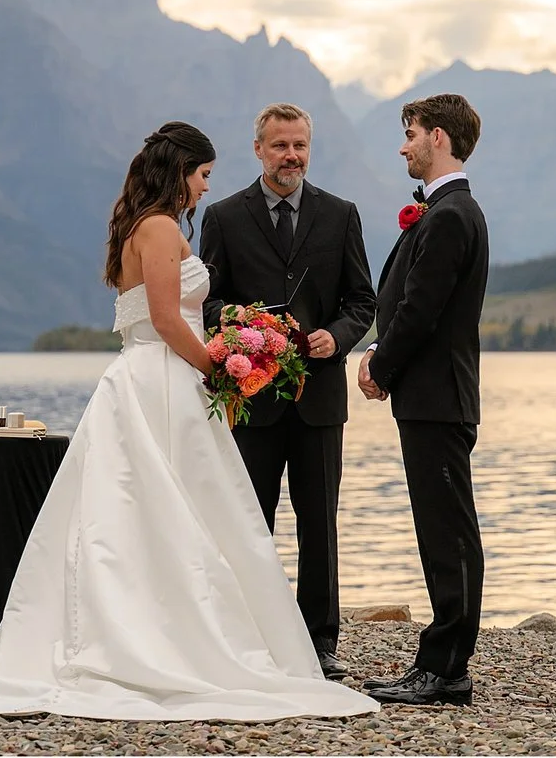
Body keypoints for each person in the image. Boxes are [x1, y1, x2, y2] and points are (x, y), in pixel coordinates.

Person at [0, 123, 375, 721]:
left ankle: (152, 624)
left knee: (141, 510)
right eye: (202, 175)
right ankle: (170, 636)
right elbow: (167, 320)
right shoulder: (162, 228)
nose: (204, 188)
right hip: (162, 379)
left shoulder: (138, 227)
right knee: (172, 509)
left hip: (142, 378)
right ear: (181, 172)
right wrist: (218, 369)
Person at [197, 102, 377, 679]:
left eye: (299, 145)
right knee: (250, 520)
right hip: (251, 396)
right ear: (258, 149)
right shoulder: (223, 217)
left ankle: (319, 643)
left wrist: (338, 337)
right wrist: (245, 329)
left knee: (319, 522)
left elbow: (362, 301)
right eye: (280, 146)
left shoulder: (341, 214)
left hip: (319, 398)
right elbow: (205, 301)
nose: (291, 156)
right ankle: (248, 633)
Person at [358, 92, 491, 707]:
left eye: (410, 132)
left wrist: (381, 364)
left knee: (448, 532)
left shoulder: (451, 215)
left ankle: (447, 669)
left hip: (438, 398)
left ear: (438, 137)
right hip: (432, 399)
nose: (404, 144)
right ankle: (437, 663)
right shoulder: (445, 213)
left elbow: (420, 309)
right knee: (439, 529)